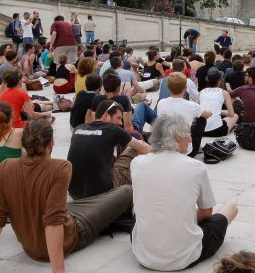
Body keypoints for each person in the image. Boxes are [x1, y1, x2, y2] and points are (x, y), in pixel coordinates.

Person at [0, 119, 133, 271]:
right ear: (51, 144)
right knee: (126, 191)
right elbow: (53, 221)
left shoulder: (4, 167)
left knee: (85, 203)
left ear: (23, 144)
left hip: (30, 246)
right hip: (71, 235)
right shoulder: (60, 168)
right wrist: (58, 270)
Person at [131, 113, 238, 270]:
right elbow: (207, 213)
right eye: (188, 133)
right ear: (177, 136)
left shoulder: (137, 163)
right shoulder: (195, 167)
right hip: (183, 256)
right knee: (230, 207)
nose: (190, 139)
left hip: (143, 253)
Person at [67, 100, 150, 200]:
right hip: (102, 192)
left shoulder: (78, 129)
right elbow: (142, 147)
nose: (120, 123)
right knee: (135, 147)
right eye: (118, 118)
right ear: (106, 116)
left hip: (74, 193)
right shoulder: (112, 129)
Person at [155, 72, 211, 157]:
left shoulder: (161, 103)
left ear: (168, 87)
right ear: (185, 87)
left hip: (165, 147)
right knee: (201, 118)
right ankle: (195, 144)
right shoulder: (192, 105)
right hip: (185, 151)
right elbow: (208, 114)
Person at [201, 67, 239, 136]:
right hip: (217, 130)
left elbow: (199, 111)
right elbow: (231, 114)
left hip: (201, 130)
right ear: (219, 80)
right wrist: (219, 111)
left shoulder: (201, 92)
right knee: (235, 116)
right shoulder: (224, 93)